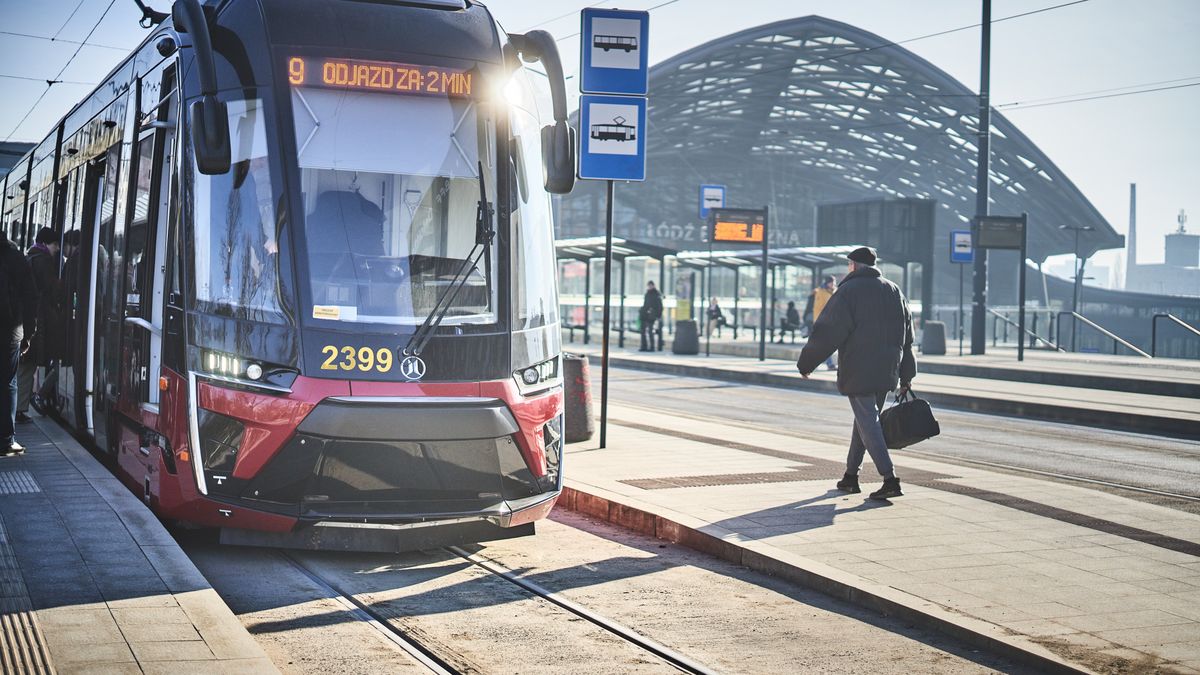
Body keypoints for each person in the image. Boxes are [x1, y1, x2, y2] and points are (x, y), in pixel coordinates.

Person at [795, 246, 916, 500]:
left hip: (860, 368)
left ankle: (890, 478)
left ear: (853, 266)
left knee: (869, 424)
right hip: (888, 370)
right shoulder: (894, 290)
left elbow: (828, 330)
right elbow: (908, 337)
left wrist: (806, 363)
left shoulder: (848, 291)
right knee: (864, 421)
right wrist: (907, 375)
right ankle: (851, 476)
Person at [16, 228, 60, 424]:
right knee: (28, 366)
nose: (57, 249)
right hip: (36, 323)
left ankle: (17, 407)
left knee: (22, 366)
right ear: (47, 243)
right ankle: (19, 409)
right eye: (54, 244)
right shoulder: (44, 261)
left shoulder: (28, 258)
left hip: (23, 319)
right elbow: (51, 292)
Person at [1, 232, 38, 455]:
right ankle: (5, 440)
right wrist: (28, 336)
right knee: (7, 383)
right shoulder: (16, 258)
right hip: (9, 330)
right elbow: (30, 298)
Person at [803, 275, 838, 369]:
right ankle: (829, 364)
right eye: (832, 282)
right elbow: (818, 309)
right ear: (827, 283)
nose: (833, 284)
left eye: (834, 282)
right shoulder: (821, 293)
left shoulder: (832, 292)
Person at [638, 281, 663, 351]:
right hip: (645, 315)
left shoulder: (656, 294)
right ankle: (644, 346)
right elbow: (645, 304)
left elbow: (659, 306)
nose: (650, 287)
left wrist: (658, 315)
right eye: (649, 285)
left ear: (654, 286)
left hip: (652, 316)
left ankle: (652, 347)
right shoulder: (647, 294)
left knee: (650, 332)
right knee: (643, 331)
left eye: (651, 285)